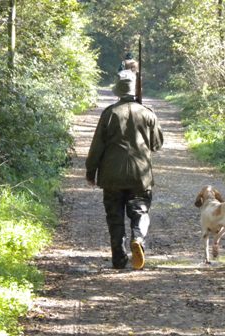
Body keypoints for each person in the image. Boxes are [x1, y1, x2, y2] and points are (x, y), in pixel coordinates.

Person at [85, 70, 163, 270]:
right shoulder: (147, 113)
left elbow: (97, 146)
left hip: (111, 176)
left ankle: (119, 258)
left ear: (117, 91)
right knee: (140, 212)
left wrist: (90, 171)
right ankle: (138, 238)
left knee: (115, 216)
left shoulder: (109, 113)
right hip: (140, 175)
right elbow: (156, 144)